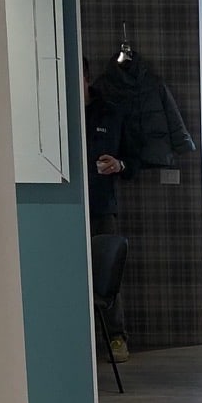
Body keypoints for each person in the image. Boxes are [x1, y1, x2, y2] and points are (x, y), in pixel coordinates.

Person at [83, 58, 130, 358]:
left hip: (101, 205)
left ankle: (116, 336)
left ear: (86, 77)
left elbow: (133, 156)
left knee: (107, 275)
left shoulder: (110, 112)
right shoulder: (52, 113)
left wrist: (119, 164)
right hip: (61, 208)